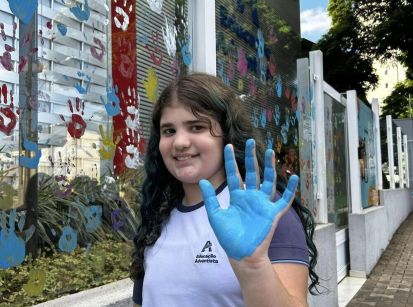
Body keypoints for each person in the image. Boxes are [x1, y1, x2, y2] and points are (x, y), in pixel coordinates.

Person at [130, 73, 319, 306]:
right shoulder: (156, 220)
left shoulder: (265, 212)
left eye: (197, 127)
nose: (179, 142)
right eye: (169, 131)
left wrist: (254, 265)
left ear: (227, 136)